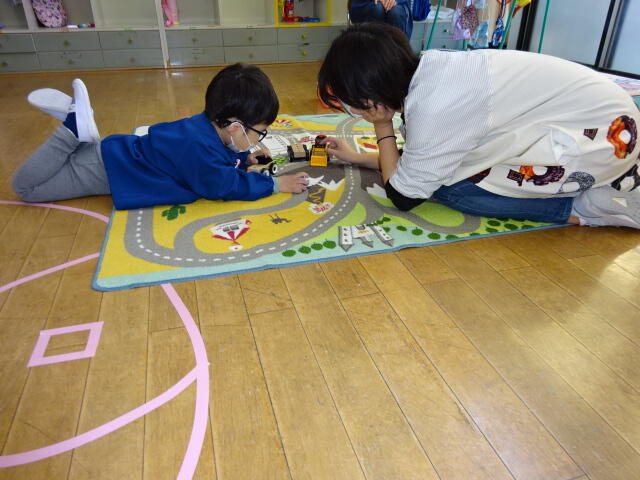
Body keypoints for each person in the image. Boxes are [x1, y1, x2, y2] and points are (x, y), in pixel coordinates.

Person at [317, 23, 640, 229]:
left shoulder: (435, 107)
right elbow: (424, 159)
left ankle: (583, 207)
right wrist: (356, 157)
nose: (349, 108)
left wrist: (383, 126)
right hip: (611, 118)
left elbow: (404, 194)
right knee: (448, 170)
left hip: (601, 142)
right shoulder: (433, 68)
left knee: (453, 190)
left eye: (347, 101)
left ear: (368, 93)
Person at [12, 63, 309, 210]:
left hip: (111, 156)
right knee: (26, 189)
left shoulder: (203, 126)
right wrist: (275, 184)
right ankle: (70, 132)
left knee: (49, 174)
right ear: (235, 127)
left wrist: (245, 159)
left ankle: (78, 132)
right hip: (104, 170)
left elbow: (218, 160)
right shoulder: (200, 151)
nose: (259, 138)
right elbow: (223, 185)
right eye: (259, 132)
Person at [348, 0, 413, 39]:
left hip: (397, 5)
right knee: (378, 9)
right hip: (364, 3)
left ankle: (399, 52)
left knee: (395, 12)